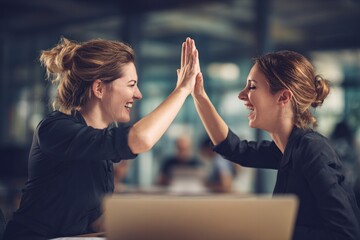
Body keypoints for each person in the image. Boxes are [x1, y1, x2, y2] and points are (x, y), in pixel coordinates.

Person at [3, 36, 200, 239]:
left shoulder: (100, 150)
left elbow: (92, 222)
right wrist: (182, 90)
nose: (138, 94)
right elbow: (141, 139)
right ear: (98, 88)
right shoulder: (55, 129)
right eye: (131, 85)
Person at [192, 50, 360, 240]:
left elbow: (347, 235)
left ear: (283, 97)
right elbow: (234, 149)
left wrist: (275, 229)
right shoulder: (287, 148)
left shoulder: (313, 151)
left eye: (252, 87)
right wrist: (199, 95)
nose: (241, 95)